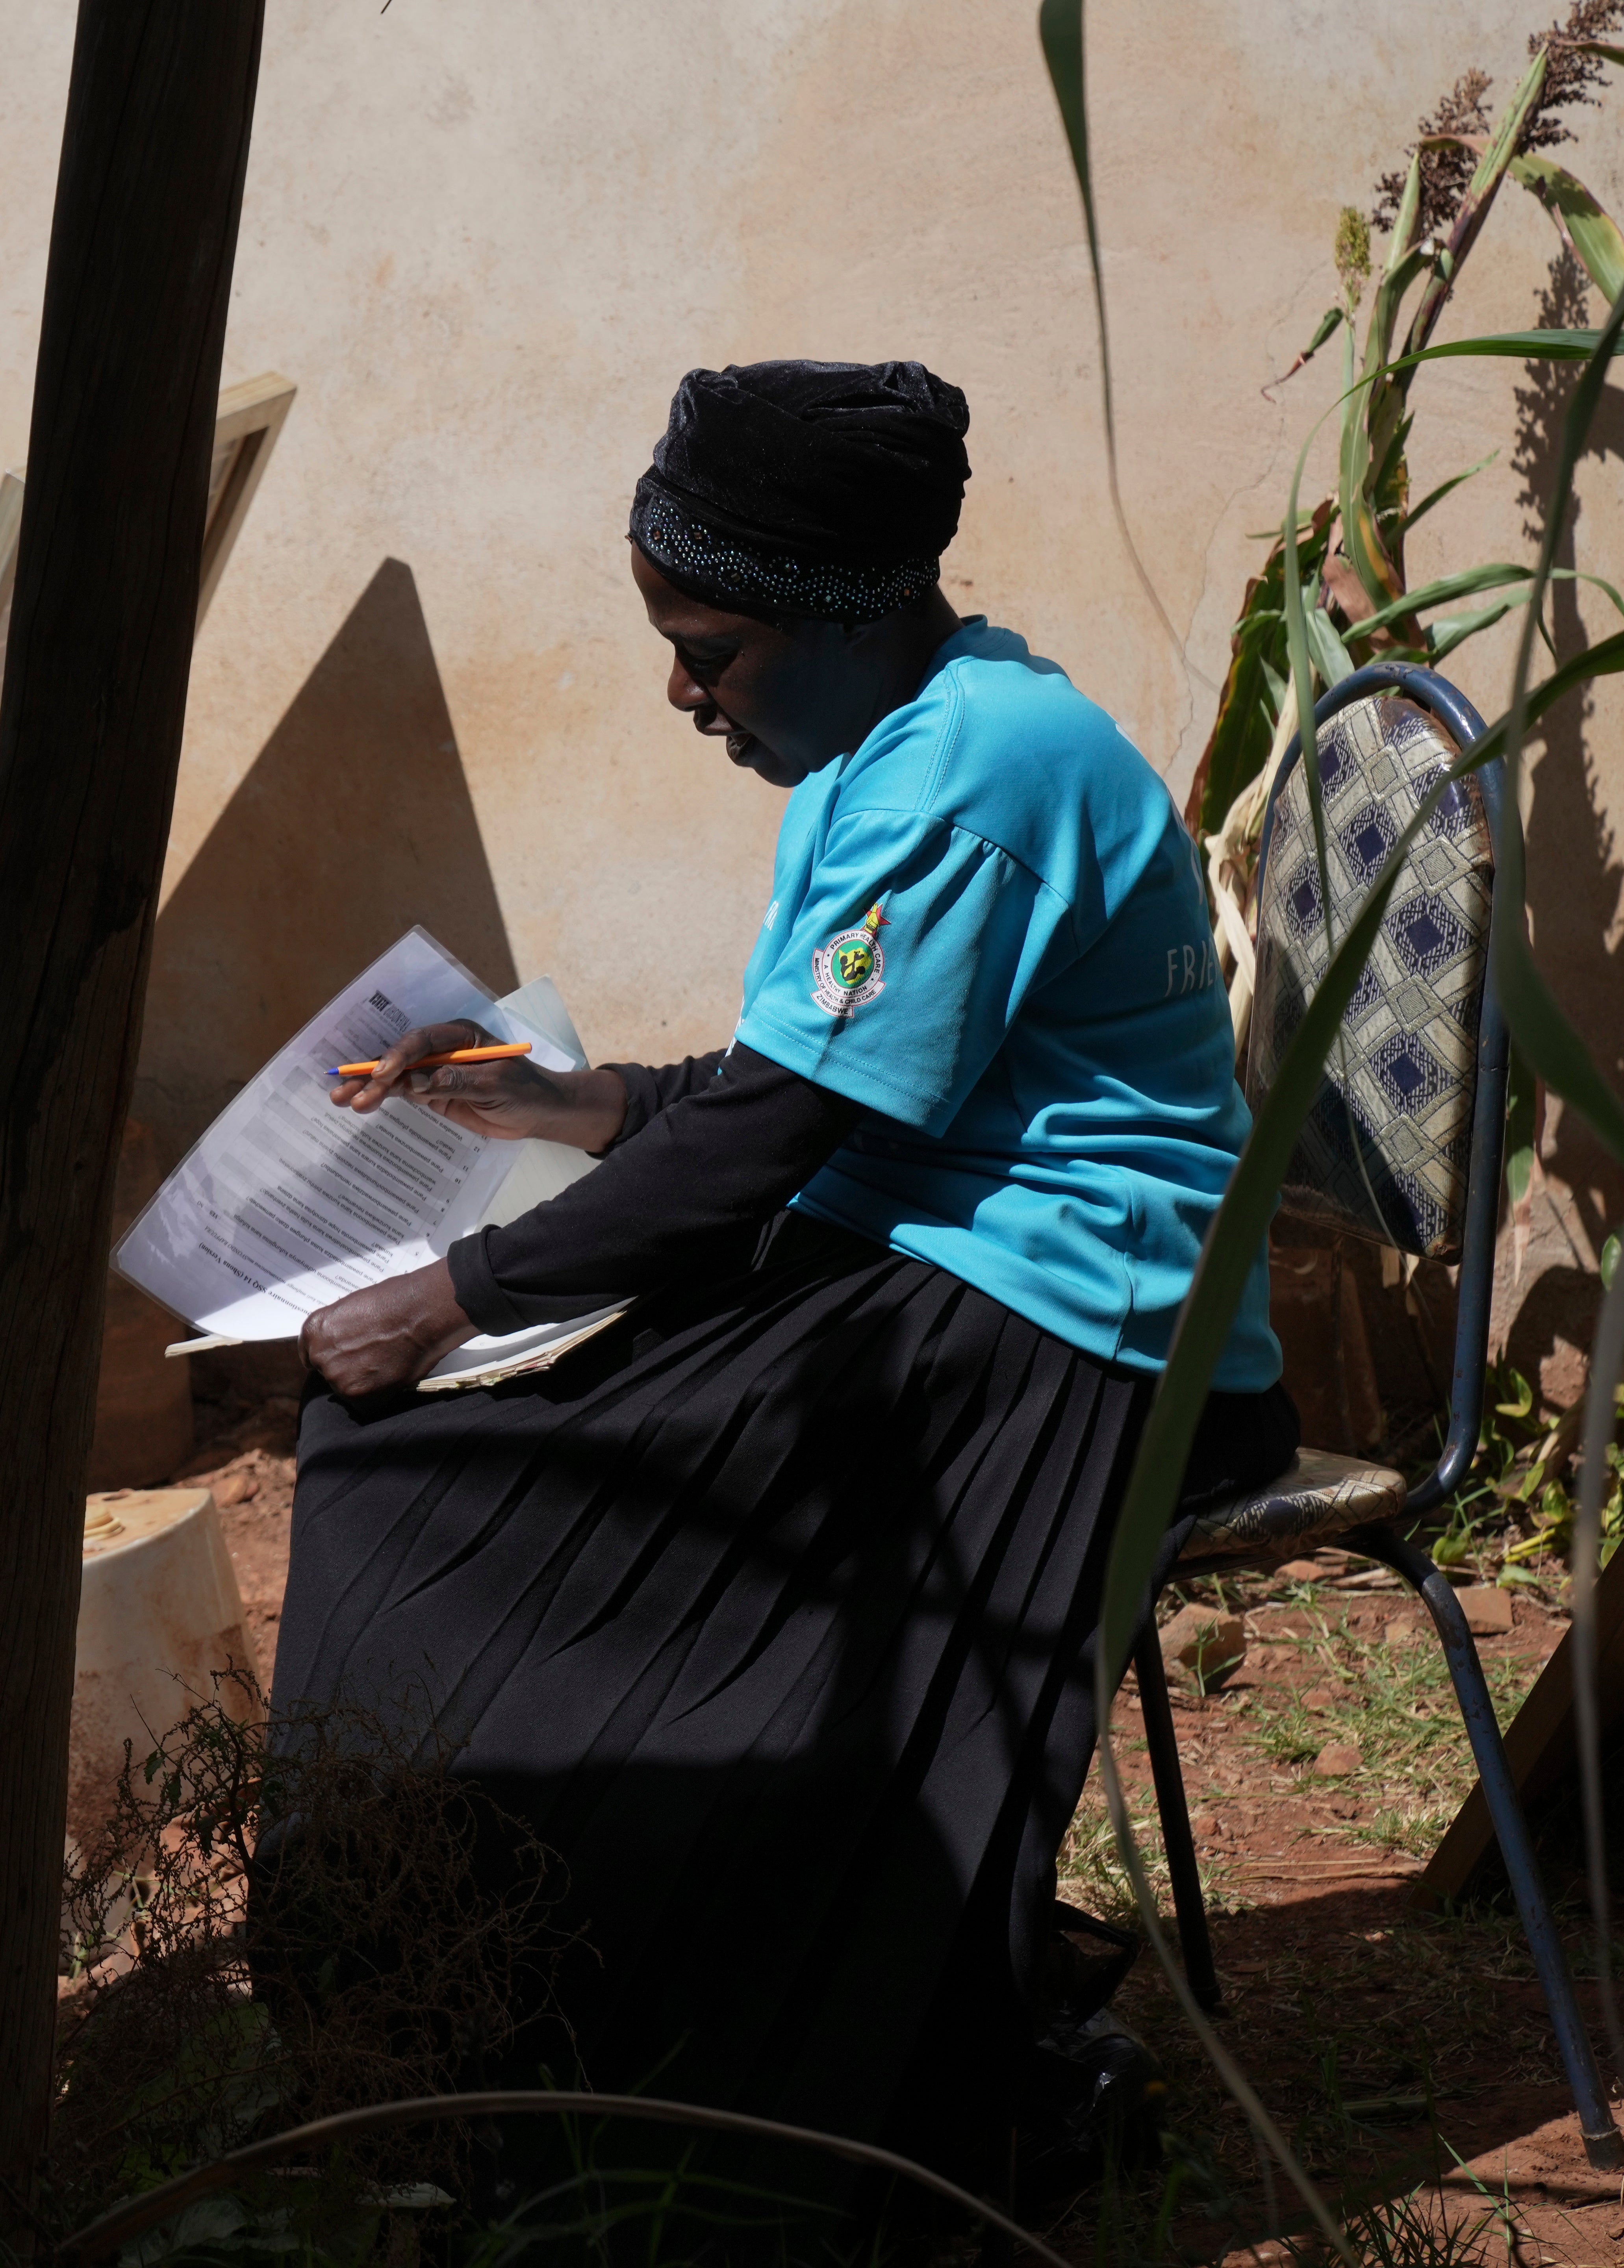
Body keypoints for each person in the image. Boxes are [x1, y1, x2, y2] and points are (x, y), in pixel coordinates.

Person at [271, 362, 1295, 2222]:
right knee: (428, 1468)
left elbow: (778, 1137)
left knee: (441, 1479)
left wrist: (454, 1291)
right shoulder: (905, 738)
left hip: (1079, 1328)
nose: (682, 693)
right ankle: (541, 2031)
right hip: (936, 1264)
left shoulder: (973, 774)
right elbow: (793, 1095)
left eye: (713, 650)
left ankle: (669, 2061)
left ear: (846, 614)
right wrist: (551, 1098)